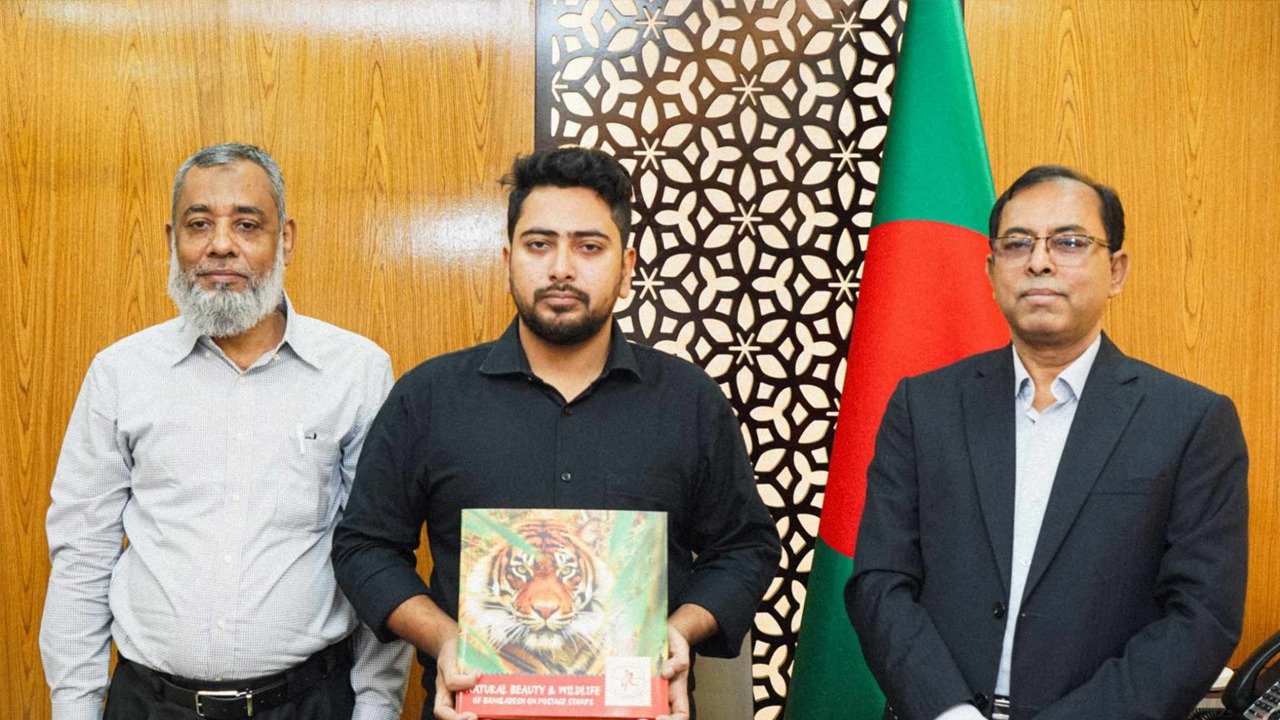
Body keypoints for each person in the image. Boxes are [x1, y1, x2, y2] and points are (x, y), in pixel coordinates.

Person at [332, 146, 781, 720]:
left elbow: (745, 547)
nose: (561, 268)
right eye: (539, 244)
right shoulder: (428, 397)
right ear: (508, 259)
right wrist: (445, 638)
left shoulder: (689, 401)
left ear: (627, 267)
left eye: (589, 247)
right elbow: (364, 546)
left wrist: (679, 630)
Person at [845, 165, 1248, 720]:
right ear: (991, 271)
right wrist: (948, 711)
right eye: (1017, 244)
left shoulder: (1191, 421)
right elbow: (880, 580)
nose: (1039, 261)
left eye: (1070, 242)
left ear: (1116, 271)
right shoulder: (924, 406)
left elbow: (1201, 616)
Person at [40, 143, 410, 720]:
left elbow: (375, 551)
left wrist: (378, 706)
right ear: (173, 240)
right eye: (198, 224)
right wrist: (74, 708)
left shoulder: (356, 371)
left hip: (310, 702)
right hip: (150, 705)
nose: (220, 245)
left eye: (246, 224)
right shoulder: (120, 372)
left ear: (285, 238)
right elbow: (81, 554)